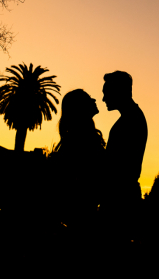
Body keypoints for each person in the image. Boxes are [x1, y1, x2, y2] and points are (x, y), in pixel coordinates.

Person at [100, 71, 148, 242]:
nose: (104, 99)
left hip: (120, 202)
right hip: (122, 199)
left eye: (106, 93)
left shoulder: (130, 121)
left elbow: (118, 168)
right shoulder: (132, 118)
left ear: (118, 91)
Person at [51, 89, 106, 229]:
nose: (94, 100)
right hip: (82, 220)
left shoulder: (81, 138)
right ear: (79, 108)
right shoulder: (79, 142)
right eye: (89, 99)